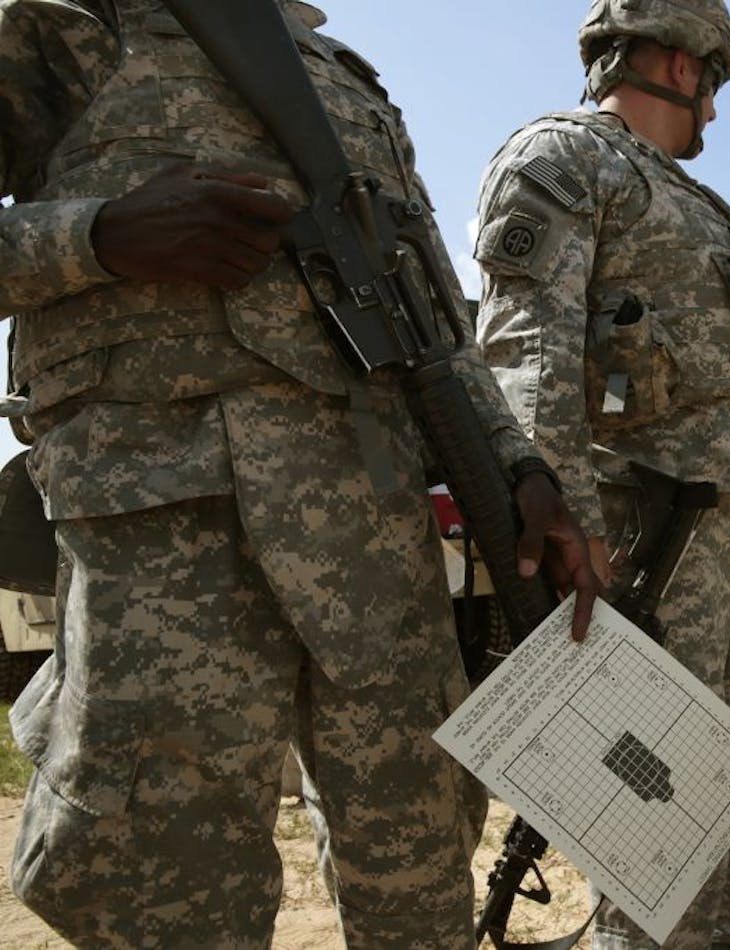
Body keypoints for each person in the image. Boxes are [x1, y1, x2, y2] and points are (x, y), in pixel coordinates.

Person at [0, 2, 598, 946]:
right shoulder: (71, 22)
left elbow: (431, 308)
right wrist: (96, 237)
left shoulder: (348, 78)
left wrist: (520, 465)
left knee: (421, 873)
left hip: (375, 532)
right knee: (166, 899)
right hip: (165, 521)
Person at [473, 1, 730, 946]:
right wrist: (568, 530)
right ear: (678, 62)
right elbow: (524, 350)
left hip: (723, 543)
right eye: (714, 81)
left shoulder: (692, 203)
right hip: (633, 549)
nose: (715, 109)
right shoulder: (565, 159)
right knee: (657, 847)